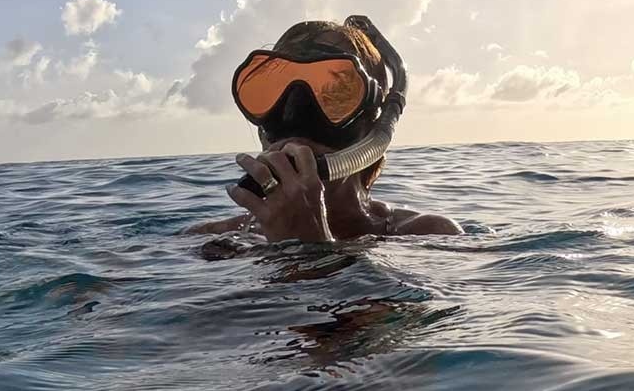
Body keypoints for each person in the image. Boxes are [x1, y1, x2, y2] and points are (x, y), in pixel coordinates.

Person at [187, 16, 461, 242]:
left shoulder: (428, 236)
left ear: (374, 128)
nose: (295, 110)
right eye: (274, 92)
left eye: (336, 95)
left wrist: (308, 247)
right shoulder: (212, 241)